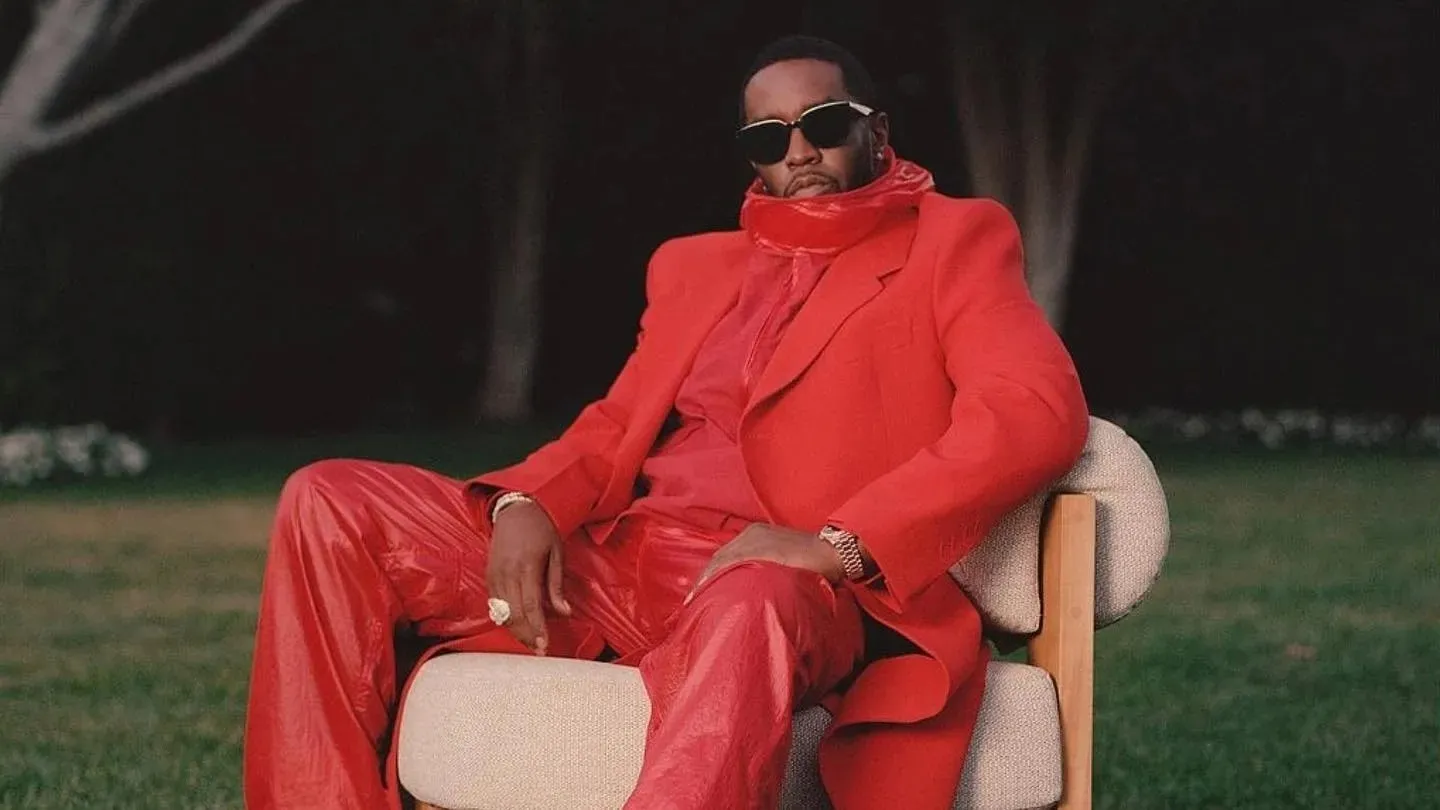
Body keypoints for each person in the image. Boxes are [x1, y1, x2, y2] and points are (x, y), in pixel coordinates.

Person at [244, 34, 1088, 810]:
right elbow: (616, 425)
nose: (798, 152)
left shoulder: (954, 242)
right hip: (625, 561)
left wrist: (842, 544)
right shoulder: (695, 267)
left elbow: (1036, 411)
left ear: (876, 129)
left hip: (785, 588)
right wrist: (524, 502)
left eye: (824, 124)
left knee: (752, 597)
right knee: (330, 502)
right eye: (769, 137)